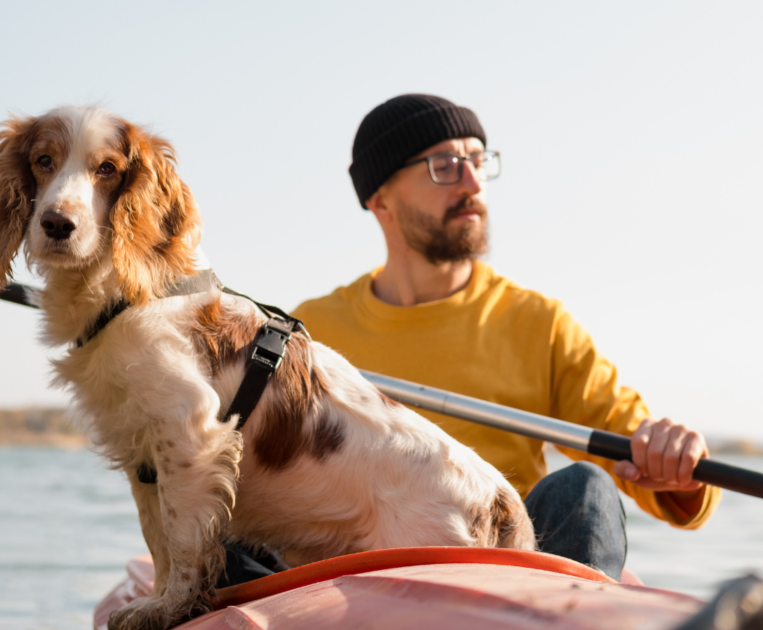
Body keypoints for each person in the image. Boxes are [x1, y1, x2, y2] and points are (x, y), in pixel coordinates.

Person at [291, 94, 721, 578]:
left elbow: (638, 456)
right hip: (359, 572)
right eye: (445, 165)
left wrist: (673, 459)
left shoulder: (539, 323)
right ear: (380, 198)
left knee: (584, 485)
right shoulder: (309, 334)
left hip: (508, 571)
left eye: (477, 161)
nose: (473, 182)